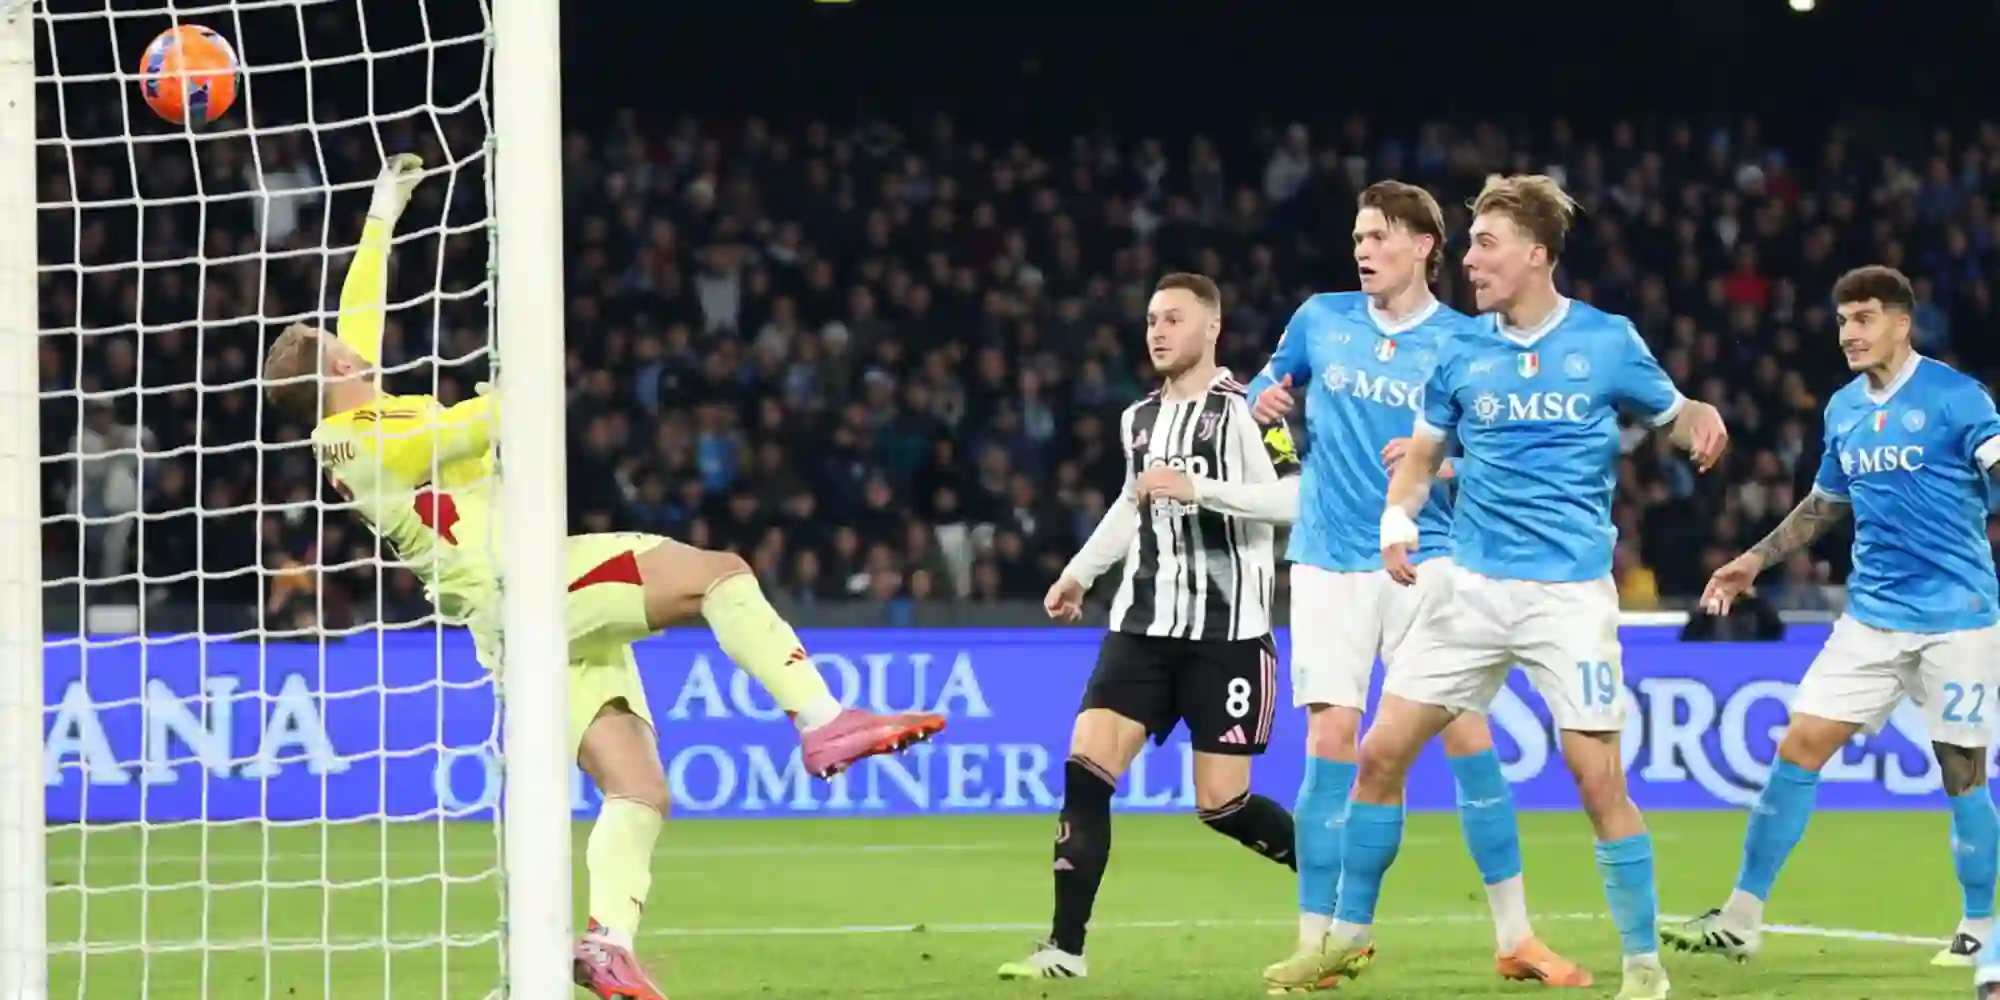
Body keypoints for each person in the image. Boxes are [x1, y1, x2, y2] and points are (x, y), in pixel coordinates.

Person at [263, 155, 947, 1000]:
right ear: (335, 374)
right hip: (525, 586)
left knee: (640, 789)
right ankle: (826, 720)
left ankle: (604, 945)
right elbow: (447, 435)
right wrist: (509, 394)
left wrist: (380, 214)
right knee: (718, 573)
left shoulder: (347, 409)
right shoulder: (360, 436)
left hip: (510, 622)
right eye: (344, 352)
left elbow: (355, 314)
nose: (358, 345)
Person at [1312, 174, 1729, 1000]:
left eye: (1486, 245)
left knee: (1595, 778)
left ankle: (1643, 966)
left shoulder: (1606, 341)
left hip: (1566, 599)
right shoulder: (1461, 351)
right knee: (1379, 753)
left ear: (1536, 256)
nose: (1470, 261)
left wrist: (1699, 416)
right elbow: (1423, 457)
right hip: (1468, 589)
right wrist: (1398, 526)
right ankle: (1344, 941)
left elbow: (1673, 411)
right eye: (1469, 245)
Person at [1244, 181, 1587, 991]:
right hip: (1328, 558)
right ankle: (1322, 943)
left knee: (1464, 735)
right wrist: (1275, 419)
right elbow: (1265, 397)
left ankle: (1517, 937)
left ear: (1426, 246)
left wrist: (1446, 462)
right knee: (1331, 745)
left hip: (1425, 558)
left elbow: (1504, 455)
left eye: (1378, 236)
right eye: (1357, 236)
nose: (1361, 249)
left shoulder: (1470, 344)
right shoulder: (1319, 319)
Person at [1664, 265, 2000, 970]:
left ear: (1902, 324)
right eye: (1843, 320)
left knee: (1961, 771)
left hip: (1956, 616)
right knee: (1800, 745)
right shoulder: (1844, 409)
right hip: (1871, 616)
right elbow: (1826, 504)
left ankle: (1978, 923)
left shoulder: (1956, 399)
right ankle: (1742, 916)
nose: (1849, 333)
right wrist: (1754, 560)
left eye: (1865, 318)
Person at [997, 272, 1303, 980]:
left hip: (1227, 636)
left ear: (1210, 330)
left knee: (1222, 805)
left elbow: (1296, 498)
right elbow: (1130, 505)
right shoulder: (1137, 418)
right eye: (1150, 320)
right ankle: (1064, 949)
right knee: (1085, 769)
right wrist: (1080, 573)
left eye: (1172, 319)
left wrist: (1202, 489)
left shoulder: (1250, 412)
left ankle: (1339, 894)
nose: (1157, 331)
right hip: (1141, 626)